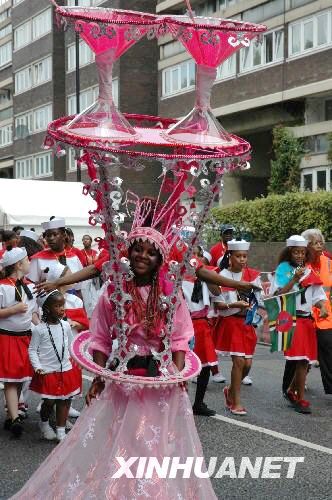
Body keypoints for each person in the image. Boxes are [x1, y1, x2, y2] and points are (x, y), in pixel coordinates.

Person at [11, 227, 218, 499]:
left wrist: (178, 378)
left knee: (154, 446)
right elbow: (100, 339)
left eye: (151, 252)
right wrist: (98, 378)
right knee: (124, 442)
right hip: (124, 378)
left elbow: (179, 338)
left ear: (160, 259)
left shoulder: (171, 293)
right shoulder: (114, 293)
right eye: (138, 250)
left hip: (161, 384)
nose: (143, 256)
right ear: (128, 253)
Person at [271, 235, 328, 414]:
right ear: (290, 252)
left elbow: (317, 294)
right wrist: (295, 279)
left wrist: (322, 307)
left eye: (302, 252)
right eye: (296, 252)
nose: (299, 256)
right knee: (299, 360)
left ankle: (295, 393)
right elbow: (279, 294)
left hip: (307, 320)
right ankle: (298, 396)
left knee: (305, 361)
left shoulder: (309, 270)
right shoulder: (282, 269)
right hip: (291, 319)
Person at [211, 240, 262, 415]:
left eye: (244, 256)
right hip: (230, 322)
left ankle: (230, 390)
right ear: (230, 257)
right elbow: (218, 305)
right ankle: (235, 402)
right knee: (239, 361)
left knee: (247, 364)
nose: (242, 259)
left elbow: (259, 299)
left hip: (247, 323)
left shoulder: (252, 275)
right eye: (238, 256)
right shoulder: (220, 275)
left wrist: (255, 304)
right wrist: (235, 305)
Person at [29, 290, 82, 442]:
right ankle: (44, 423)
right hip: (47, 370)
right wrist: (37, 366)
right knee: (49, 401)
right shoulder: (40, 329)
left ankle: (60, 430)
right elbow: (32, 350)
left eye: (62, 305)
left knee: (65, 400)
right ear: (46, 309)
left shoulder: (65, 326)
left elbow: (71, 345)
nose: (62, 309)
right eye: (57, 306)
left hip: (65, 369)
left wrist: (77, 360)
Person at [0, 247, 38, 437]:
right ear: (18, 264)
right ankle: (15, 419)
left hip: (26, 338)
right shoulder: (2, 287)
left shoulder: (30, 286)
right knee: (11, 380)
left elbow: (33, 314)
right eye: (27, 260)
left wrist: (41, 329)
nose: (30, 263)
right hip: (7, 338)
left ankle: (11, 415)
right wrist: (13, 310)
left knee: (23, 378)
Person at [302, 229, 332, 394]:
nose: (320, 245)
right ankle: (298, 380)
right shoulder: (300, 264)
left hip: (325, 314)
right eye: (315, 243)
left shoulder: (328, 261)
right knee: (305, 351)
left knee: (328, 349)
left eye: (321, 242)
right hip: (305, 314)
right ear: (307, 246)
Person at [28, 218, 83, 292]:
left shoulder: (74, 258)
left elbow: (79, 287)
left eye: (55, 234)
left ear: (64, 235)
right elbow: (32, 284)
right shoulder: (38, 259)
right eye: (48, 235)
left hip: (72, 301)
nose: (51, 238)